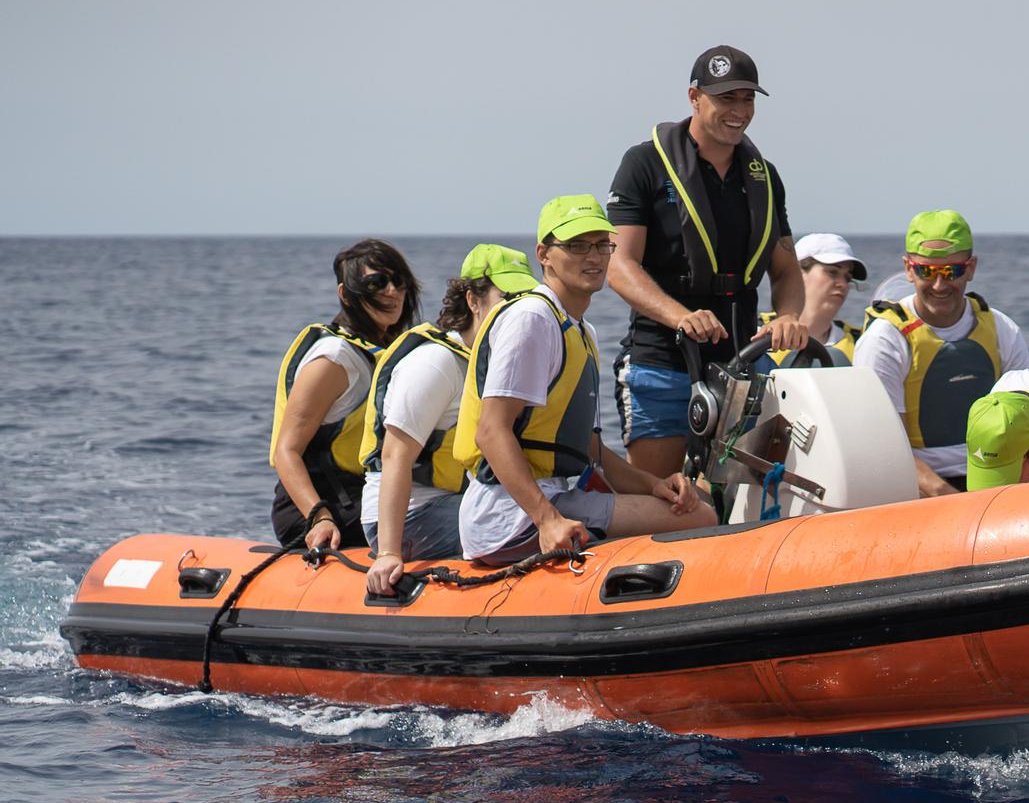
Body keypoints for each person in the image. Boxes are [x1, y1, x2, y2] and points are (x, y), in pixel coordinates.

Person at [457, 195, 717, 565]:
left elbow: (592, 450)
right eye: (576, 246)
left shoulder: (581, 330)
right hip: (507, 519)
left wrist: (653, 485)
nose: (593, 257)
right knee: (701, 518)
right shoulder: (533, 318)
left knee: (693, 504)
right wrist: (547, 521)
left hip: (557, 496)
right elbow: (490, 431)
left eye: (601, 245)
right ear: (544, 254)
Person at [606, 44, 808, 479]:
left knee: (740, 494)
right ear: (695, 97)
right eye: (726, 98)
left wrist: (788, 317)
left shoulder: (765, 176)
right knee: (658, 494)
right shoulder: (642, 164)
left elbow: (787, 270)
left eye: (748, 98)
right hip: (662, 364)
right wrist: (680, 316)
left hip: (743, 363)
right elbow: (619, 266)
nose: (739, 110)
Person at [360, 243, 536, 595]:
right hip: (408, 518)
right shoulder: (436, 363)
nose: (516, 313)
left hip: (456, 502)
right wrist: (389, 552)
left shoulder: (490, 362)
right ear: (473, 301)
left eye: (523, 301)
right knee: (525, 527)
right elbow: (396, 454)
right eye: (506, 299)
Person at [852, 210, 1029, 496]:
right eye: (927, 271)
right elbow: (885, 445)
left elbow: (1027, 418)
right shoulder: (884, 341)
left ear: (970, 268)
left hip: (992, 478)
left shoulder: (1001, 329)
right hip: (917, 486)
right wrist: (946, 496)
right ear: (909, 269)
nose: (939, 285)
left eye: (952, 271)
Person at [270, 239, 422, 551]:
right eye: (376, 283)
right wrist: (319, 516)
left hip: (364, 493)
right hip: (324, 508)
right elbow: (286, 451)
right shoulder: (334, 360)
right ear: (345, 294)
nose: (391, 291)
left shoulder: (383, 350)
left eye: (399, 281)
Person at [761, 233, 869, 365]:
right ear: (797, 273)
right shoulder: (756, 332)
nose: (843, 284)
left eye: (847, 277)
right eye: (832, 272)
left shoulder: (862, 342)